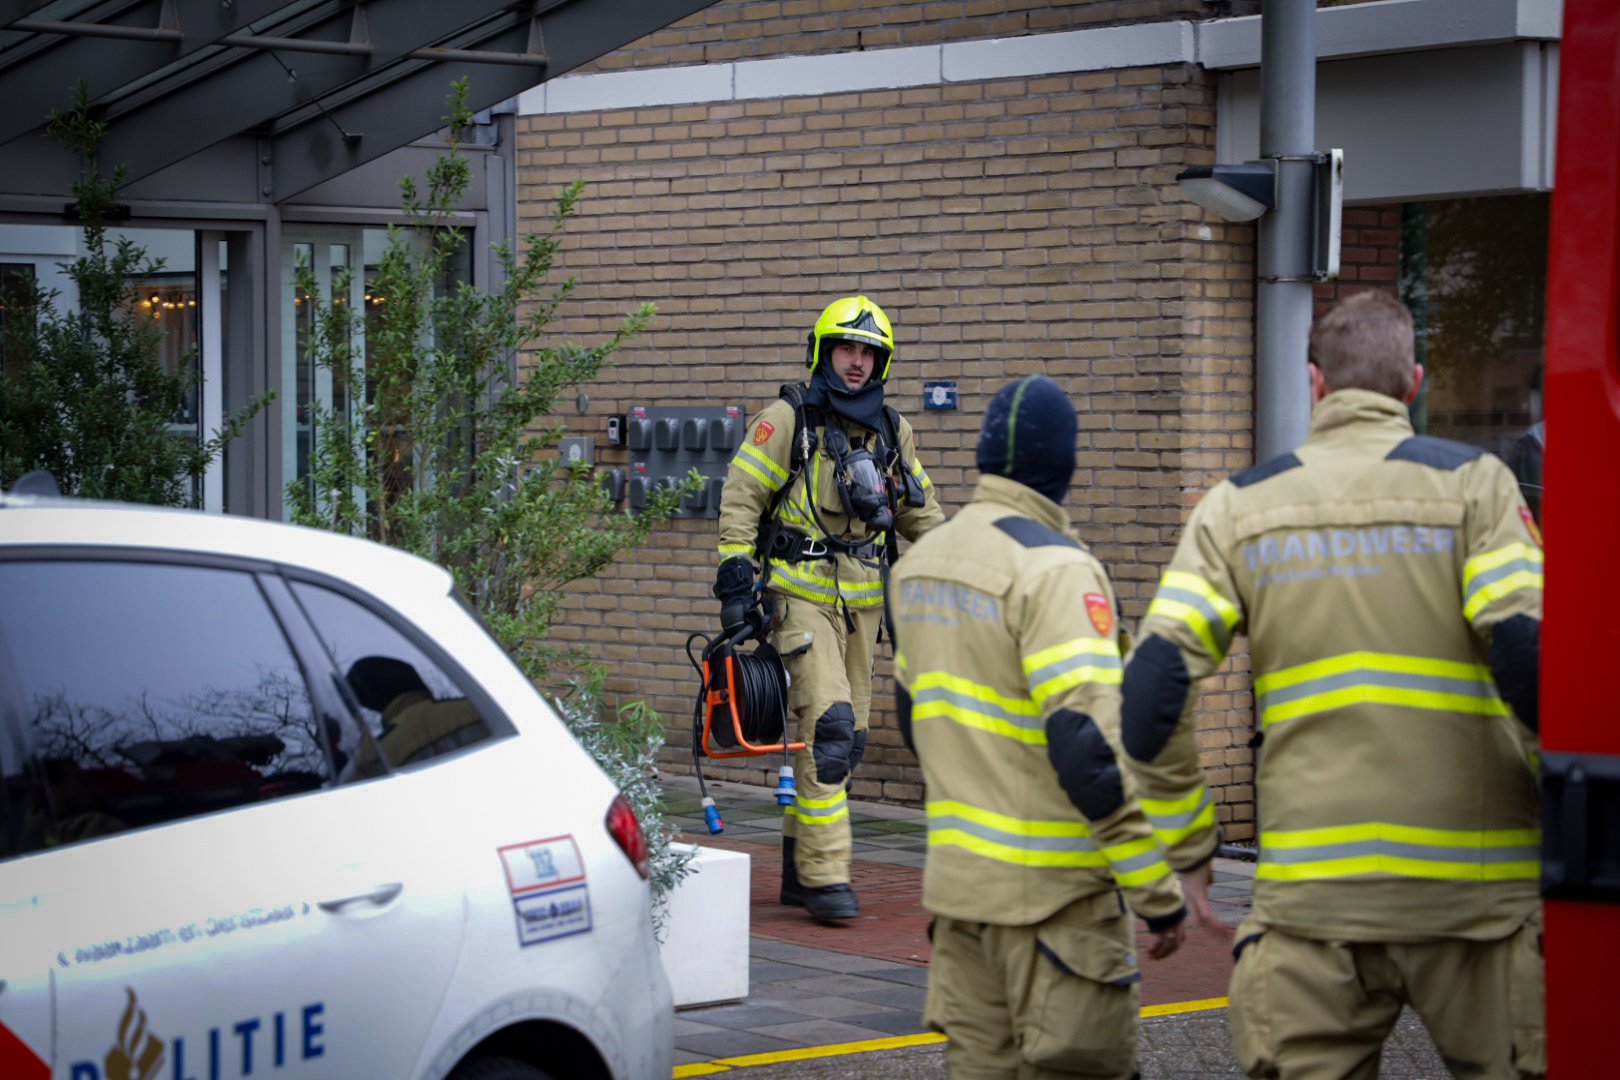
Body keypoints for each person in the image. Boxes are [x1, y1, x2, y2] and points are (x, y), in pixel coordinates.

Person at [1121, 290, 1544, 1079]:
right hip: (1477, 902)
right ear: (1412, 383)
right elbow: (1529, 662)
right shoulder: (1480, 489)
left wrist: (1191, 845)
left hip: (1311, 911)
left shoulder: (1236, 509)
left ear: (1316, 385)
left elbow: (1149, 699)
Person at [890, 375, 1198, 1080]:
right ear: (1064, 464)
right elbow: (1088, 749)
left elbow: (915, 720)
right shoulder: (1057, 569)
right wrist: (1156, 891)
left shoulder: (921, 563)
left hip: (961, 902)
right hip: (1055, 908)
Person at [714, 295, 944, 923]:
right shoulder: (788, 420)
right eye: (846, 348)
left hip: (863, 605)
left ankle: (796, 866)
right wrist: (737, 581)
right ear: (823, 351)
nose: (856, 362)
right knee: (831, 730)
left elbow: (919, 510)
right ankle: (825, 878)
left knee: (851, 740)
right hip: (799, 596)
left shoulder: (893, 431)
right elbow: (740, 497)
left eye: (869, 352)